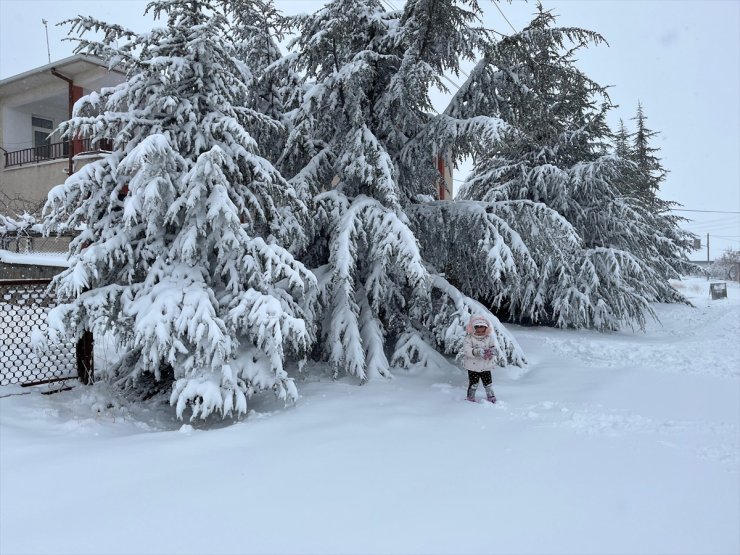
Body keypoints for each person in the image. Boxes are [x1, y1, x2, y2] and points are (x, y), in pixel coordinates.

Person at [461, 315, 497, 403]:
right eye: (478, 331)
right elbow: (467, 350)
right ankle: (470, 396)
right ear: (473, 329)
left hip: (486, 366)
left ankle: (490, 395)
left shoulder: (489, 338)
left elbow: (493, 347)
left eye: (483, 331)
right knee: (473, 383)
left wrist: (492, 351)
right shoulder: (469, 338)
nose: (480, 333)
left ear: (486, 329)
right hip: (473, 367)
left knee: (488, 383)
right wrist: (476, 352)